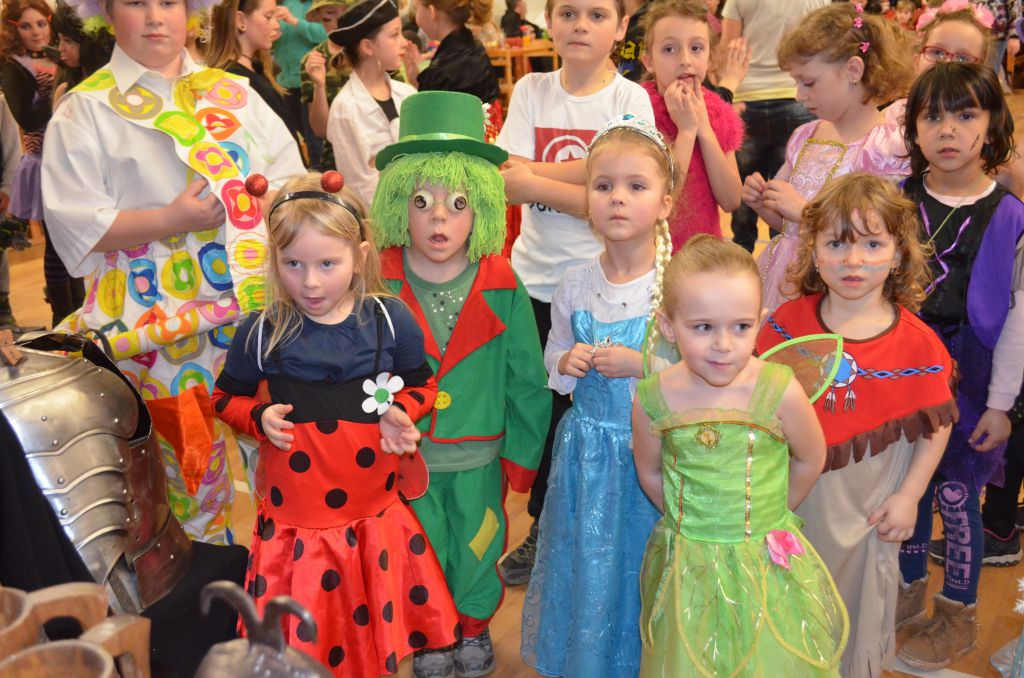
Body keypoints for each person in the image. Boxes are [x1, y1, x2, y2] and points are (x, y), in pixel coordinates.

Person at [40, 0, 305, 543]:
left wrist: (271, 199)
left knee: (281, 457)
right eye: (136, 2)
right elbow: (75, 222)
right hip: (155, 331)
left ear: (193, 11)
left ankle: (286, 579)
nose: (155, 17)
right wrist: (170, 219)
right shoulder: (84, 109)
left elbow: (291, 179)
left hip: (255, 313)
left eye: (169, 2)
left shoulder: (235, 94)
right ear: (106, 13)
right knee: (190, 477)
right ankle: (207, 589)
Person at [212, 172, 460, 678]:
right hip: (298, 525)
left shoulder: (389, 319)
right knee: (308, 635)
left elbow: (423, 386)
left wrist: (402, 410)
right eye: (293, 264)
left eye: (327, 263)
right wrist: (257, 416)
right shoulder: (261, 330)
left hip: (372, 517)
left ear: (360, 255)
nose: (310, 282)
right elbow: (223, 399)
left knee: (372, 628)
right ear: (275, 260)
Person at [372, 90, 552, 678]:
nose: (439, 218)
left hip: (480, 455)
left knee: (478, 546)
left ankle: (472, 627)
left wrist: (522, 458)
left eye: (457, 202)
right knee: (419, 552)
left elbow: (527, 380)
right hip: (405, 456)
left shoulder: (502, 281)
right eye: (422, 202)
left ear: (482, 207)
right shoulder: (379, 280)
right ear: (399, 203)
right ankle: (430, 635)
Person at [756, 173, 956, 678]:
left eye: (871, 244)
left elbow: (937, 424)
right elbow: (755, 403)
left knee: (855, 615)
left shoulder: (918, 344)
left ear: (898, 254)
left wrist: (910, 494)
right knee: (786, 607)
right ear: (814, 251)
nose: (853, 260)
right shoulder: (786, 324)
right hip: (791, 503)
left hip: (868, 511)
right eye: (837, 244)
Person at [633, 234, 849, 677]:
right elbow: (650, 473)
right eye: (703, 327)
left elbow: (811, 457)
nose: (723, 344)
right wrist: (691, 521)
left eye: (741, 327)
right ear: (669, 326)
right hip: (690, 563)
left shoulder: (779, 389)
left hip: (763, 557)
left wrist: (770, 513)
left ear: (760, 321)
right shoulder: (653, 398)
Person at [494, 0, 654, 586]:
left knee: (597, 415)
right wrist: (586, 173)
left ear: (621, 26)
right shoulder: (531, 89)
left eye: (596, 14)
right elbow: (504, 176)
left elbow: (618, 186)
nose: (580, 25)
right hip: (534, 281)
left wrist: (537, 178)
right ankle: (545, 523)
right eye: (567, 12)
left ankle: (607, 526)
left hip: (605, 289)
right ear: (548, 20)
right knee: (542, 412)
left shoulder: (630, 100)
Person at [520, 115, 672, 678]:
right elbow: (553, 353)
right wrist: (565, 362)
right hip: (586, 456)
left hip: (651, 455)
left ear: (664, 203)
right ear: (587, 200)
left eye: (636, 186)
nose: (617, 198)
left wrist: (643, 365)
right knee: (588, 560)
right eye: (603, 185)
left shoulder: (673, 286)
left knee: (641, 560)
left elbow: (705, 372)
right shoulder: (576, 283)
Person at [896, 62, 1024, 670]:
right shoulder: (894, 200)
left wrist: (1001, 404)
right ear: (914, 129)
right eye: (933, 116)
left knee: (954, 494)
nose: (948, 129)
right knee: (905, 487)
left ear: (993, 124)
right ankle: (903, 595)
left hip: (972, 373)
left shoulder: (1011, 214)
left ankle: (957, 613)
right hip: (900, 366)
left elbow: (1019, 319)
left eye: (966, 114)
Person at [741, 2, 914, 314]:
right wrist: (763, 204)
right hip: (785, 280)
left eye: (808, 82)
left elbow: (876, 235)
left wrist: (806, 213)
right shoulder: (805, 135)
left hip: (839, 288)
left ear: (853, 71)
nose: (798, 95)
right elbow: (788, 227)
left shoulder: (885, 147)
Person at [1, 0, 85, 327]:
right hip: (44, 163)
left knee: (75, 239)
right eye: (26, 26)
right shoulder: (12, 66)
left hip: (71, 158)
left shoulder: (58, 56)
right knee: (56, 242)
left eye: (40, 23)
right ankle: (63, 314)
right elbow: (26, 117)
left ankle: (81, 311)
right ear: (13, 29)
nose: (36, 32)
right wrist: (58, 98)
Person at [720, 0, 828, 253]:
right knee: (786, 192)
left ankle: (741, 258)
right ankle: (781, 260)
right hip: (796, 95)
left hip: (746, 97)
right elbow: (825, 46)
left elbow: (728, 48)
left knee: (746, 189)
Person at [639, 0, 743, 249]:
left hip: (703, 254)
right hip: (653, 256)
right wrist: (687, 131)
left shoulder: (717, 110)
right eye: (669, 49)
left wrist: (704, 128)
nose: (685, 60)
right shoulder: (639, 110)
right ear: (649, 61)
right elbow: (660, 200)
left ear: (710, 57)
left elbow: (731, 200)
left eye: (696, 48)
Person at [326, 0, 415, 206]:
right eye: (394, 35)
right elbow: (360, 188)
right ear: (367, 46)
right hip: (382, 218)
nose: (404, 42)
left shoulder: (407, 94)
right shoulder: (345, 109)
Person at [206, 0, 306, 157]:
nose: (276, 25)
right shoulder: (232, 80)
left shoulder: (257, 69)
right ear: (241, 20)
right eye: (268, 17)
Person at [883, 0, 994, 126]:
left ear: (980, 71)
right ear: (916, 62)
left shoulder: (983, 124)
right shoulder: (893, 117)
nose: (947, 63)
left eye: (963, 58)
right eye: (937, 52)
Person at [408, 0, 499, 104]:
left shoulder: (441, 72)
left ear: (432, 12)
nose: (416, 18)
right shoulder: (476, 48)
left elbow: (430, 110)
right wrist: (415, 80)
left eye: (417, 9)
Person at [300, 0, 350, 170]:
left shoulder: (370, 49)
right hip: (337, 160)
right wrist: (319, 86)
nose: (338, 23)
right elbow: (320, 130)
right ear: (319, 17)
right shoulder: (313, 61)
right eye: (329, 15)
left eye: (346, 14)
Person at [51, 0, 116, 106]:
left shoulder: (111, 88)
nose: (60, 48)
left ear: (89, 41)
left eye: (67, 40)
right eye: (59, 40)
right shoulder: (64, 90)